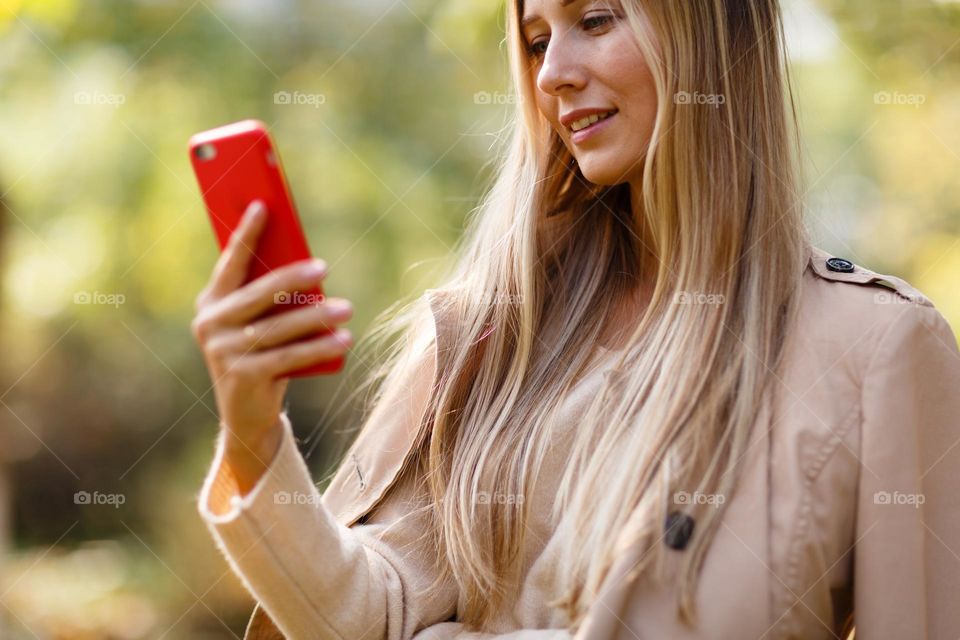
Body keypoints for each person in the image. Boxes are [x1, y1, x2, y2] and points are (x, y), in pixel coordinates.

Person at [191, 1, 960, 638]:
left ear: (714, 33)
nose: (552, 73)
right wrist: (255, 437)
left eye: (594, 18)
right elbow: (368, 615)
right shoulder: (484, 335)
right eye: (534, 40)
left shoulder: (879, 350)